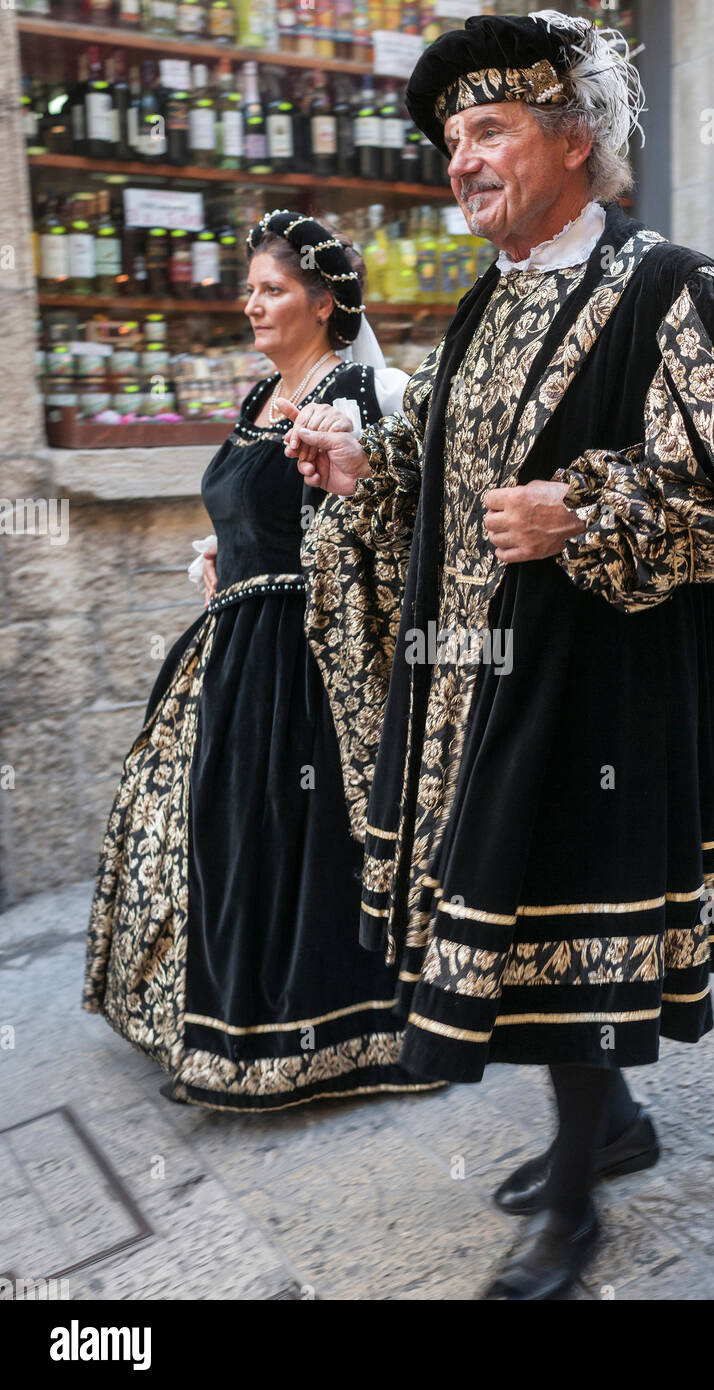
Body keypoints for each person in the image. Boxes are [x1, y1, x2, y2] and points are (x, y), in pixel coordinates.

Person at [282, 12, 714, 1297]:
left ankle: (581, 1199)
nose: (461, 161)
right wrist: (371, 462)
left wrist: (586, 509)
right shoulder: (490, 296)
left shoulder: (670, 286)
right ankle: (609, 1129)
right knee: (522, 917)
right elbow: (449, 458)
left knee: (567, 928)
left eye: (488, 132)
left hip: (603, 690)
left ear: (573, 141)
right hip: (481, 682)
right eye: (449, 141)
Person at [83, 210, 442, 1112]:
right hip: (232, 649)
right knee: (221, 827)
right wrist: (222, 552)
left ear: (323, 303)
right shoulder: (258, 399)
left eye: (272, 290)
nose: (252, 304)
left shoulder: (357, 398)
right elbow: (250, 511)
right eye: (250, 288)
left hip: (302, 657)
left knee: (290, 837)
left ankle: (323, 1037)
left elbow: (384, 532)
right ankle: (223, 1023)